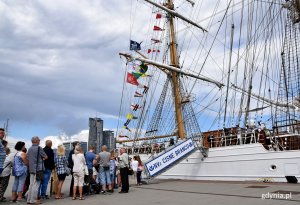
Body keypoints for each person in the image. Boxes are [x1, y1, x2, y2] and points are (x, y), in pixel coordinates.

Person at [27, 136, 48, 204]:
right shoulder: (39, 148)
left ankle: (29, 199)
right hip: (38, 168)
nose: (39, 141)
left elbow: (28, 157)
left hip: (31, 168)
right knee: (36, 185)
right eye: (39, 140)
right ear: (36, 141)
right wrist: (42, 159)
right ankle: (33, 200)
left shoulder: (29, 149)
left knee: (31, 184)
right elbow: (45, 156)